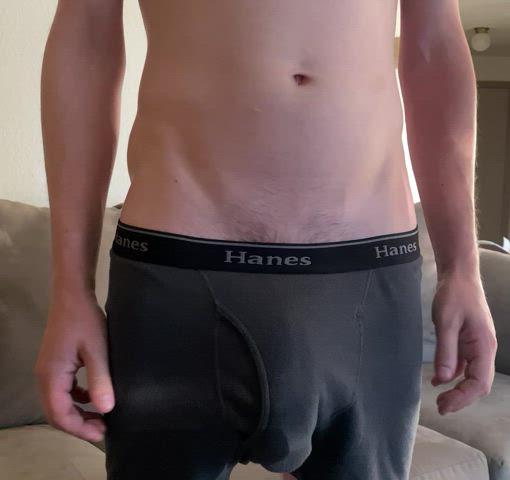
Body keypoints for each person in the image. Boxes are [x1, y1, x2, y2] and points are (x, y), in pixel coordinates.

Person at [35, 0, 498, 479]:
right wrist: (72, 290)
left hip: (368, 277)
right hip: (178, 273)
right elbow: (87, 34)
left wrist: (462, 268)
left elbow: (434, 46)